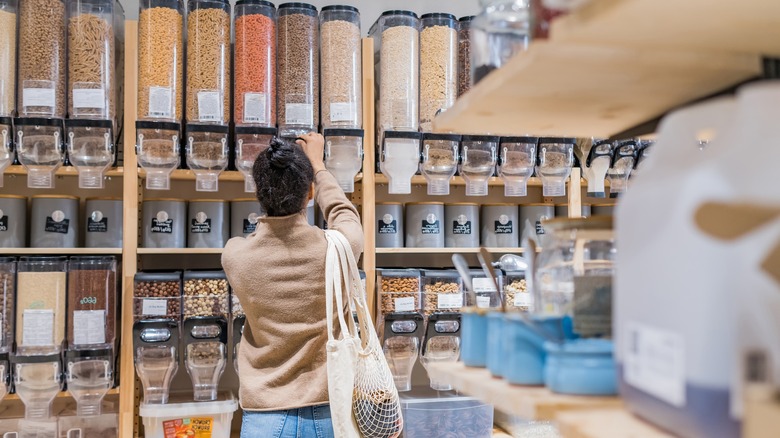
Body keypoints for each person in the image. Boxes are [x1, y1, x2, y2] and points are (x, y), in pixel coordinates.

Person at [222, 132, 363, 438]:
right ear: (310, 193)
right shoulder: (337, 248)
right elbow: (344, 214)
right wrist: (317, 164)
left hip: (265, 416)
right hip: (332, 411)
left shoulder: (235, 256)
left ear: (259, 193)